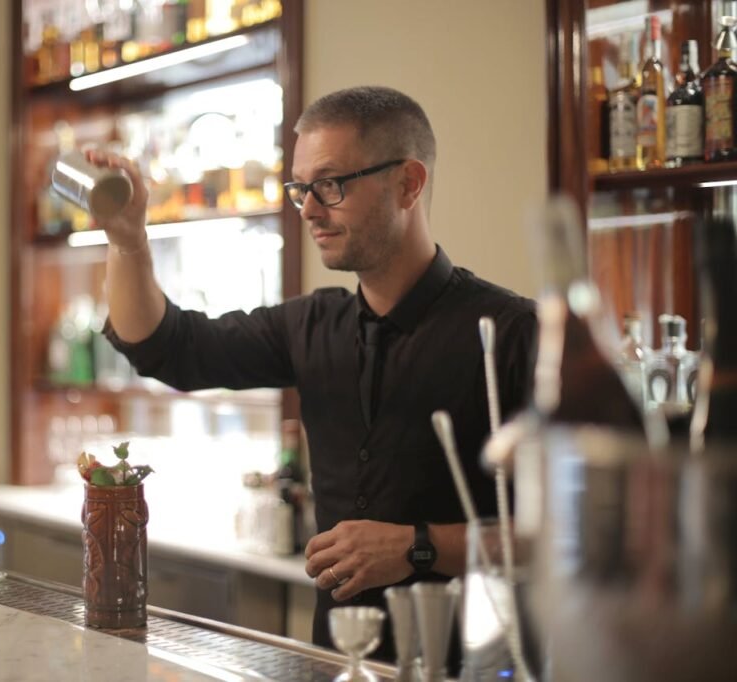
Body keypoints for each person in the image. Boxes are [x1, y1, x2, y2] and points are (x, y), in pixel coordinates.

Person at [86, 85, 537, 662]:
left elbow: (576, 538)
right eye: (301, 188)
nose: (308, 209)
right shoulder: (311, 325)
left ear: (408, 183)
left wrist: (417, 547)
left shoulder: (513, 334)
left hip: (474, 668)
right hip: (337, 666)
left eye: (330, 184)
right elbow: (167, 349)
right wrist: (129, 242)